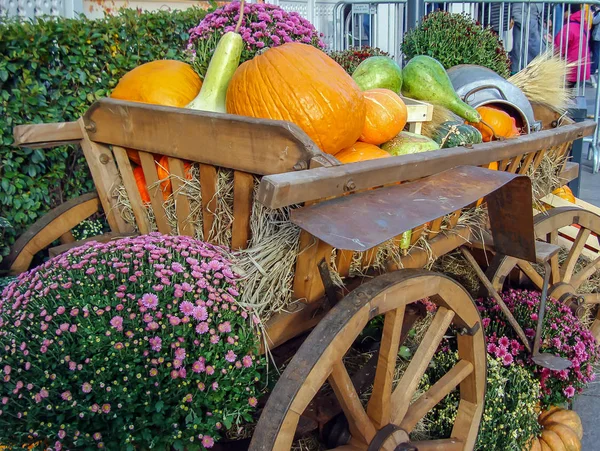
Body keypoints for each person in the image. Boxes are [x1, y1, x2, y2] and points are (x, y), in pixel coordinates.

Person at [554, 3, 591, 89]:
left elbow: (558, 50)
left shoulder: (568, 28)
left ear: (568, 12)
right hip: (581, 68)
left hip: (570, 70)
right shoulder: (583, 26)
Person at [510, 3, 546, 74]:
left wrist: (544, 32)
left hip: (536, 31)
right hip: (523, 32)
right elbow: (516, 13)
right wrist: (528, 25)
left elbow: (539, 15)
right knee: (521, 60)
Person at [590, 5, 600, 87]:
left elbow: (594, 21)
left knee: (596, 54)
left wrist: (593, 14)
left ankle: (592, 70)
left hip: (598, 37)